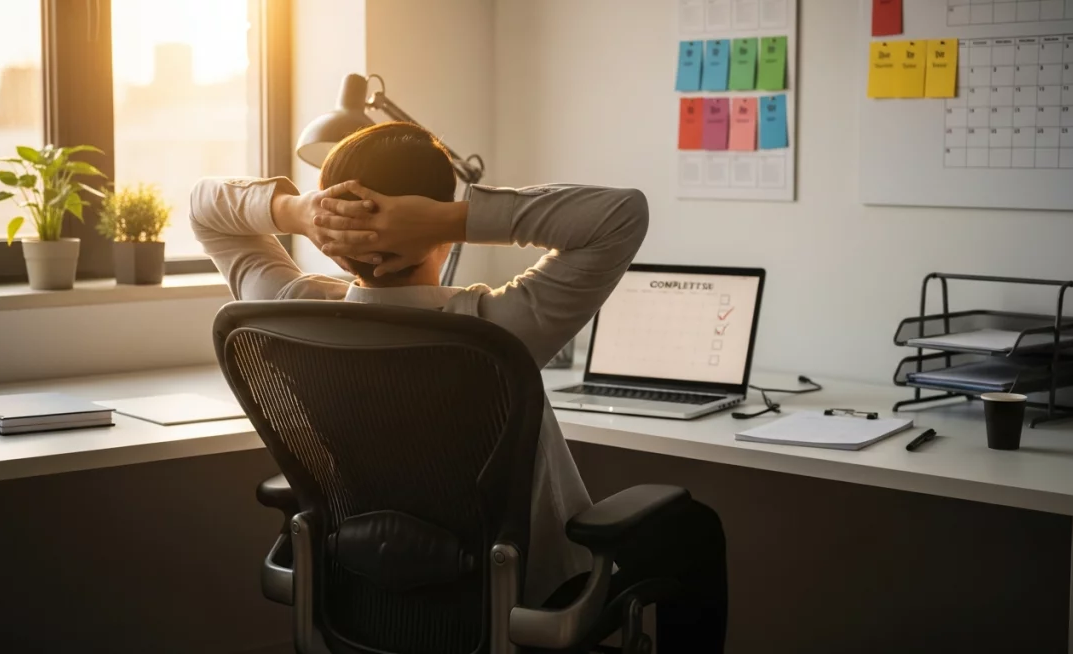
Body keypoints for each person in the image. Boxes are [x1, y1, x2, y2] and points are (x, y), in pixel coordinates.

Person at [190, 121, 727, 651]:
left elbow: (204, 206)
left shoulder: (291, 314)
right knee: (694, 529)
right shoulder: (491, 331)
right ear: (436, 232)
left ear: (330, 241)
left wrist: (299, 213)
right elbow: (620, 213)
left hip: (365, 586)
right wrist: (453, 219)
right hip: (525, 597)